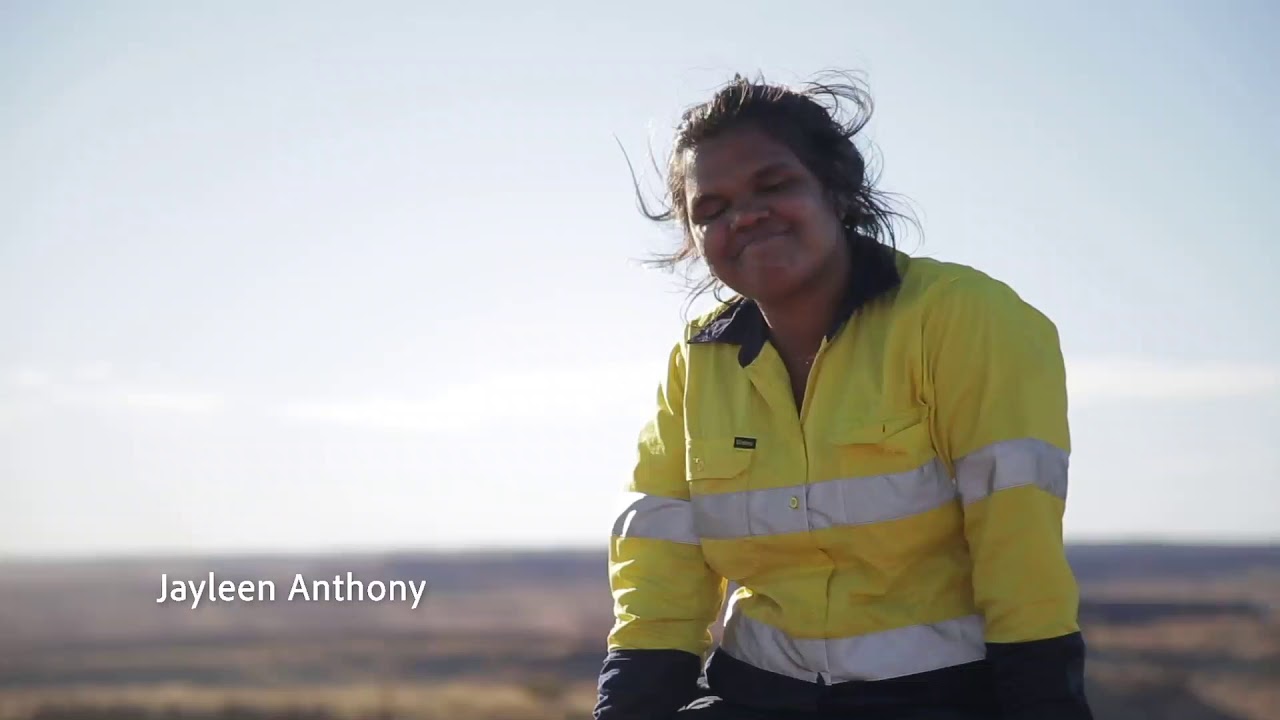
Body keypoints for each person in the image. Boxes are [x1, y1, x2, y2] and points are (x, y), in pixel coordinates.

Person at [594, 72, 1094, 720]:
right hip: (757, 696)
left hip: (938, 699)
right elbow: (659, 575)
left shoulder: (967, 320)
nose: (744, 216)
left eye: (773, 185)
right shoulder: (696, 363)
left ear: (837, 187)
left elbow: (1020, 561)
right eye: (711, 209)